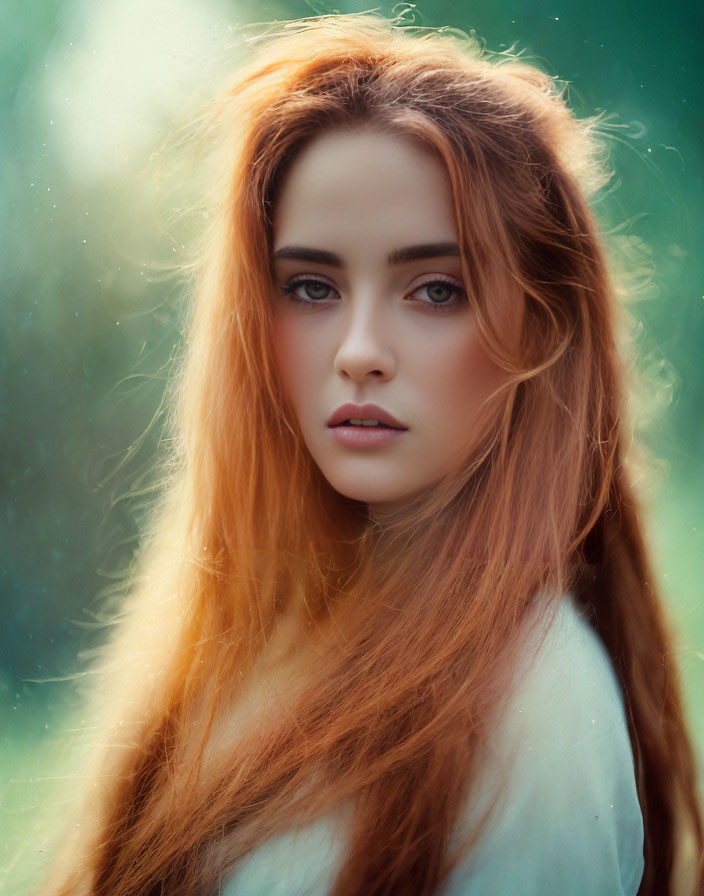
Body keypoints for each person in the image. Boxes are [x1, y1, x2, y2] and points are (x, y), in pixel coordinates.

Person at [39, 13, 703, 896]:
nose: (358, 349)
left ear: (541, 328)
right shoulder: (250, 639)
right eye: (311, 287)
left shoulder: (540, 706)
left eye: (435, 289)